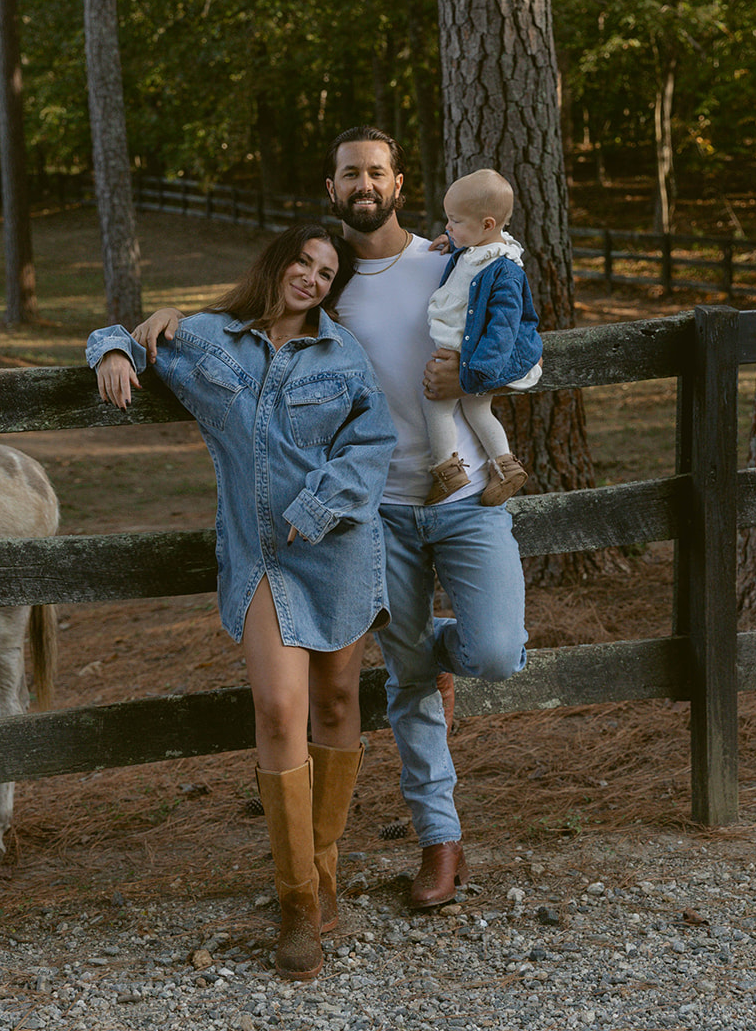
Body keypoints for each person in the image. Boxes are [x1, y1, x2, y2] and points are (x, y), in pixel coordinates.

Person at [134, 130, 529, 912]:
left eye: (376, 172)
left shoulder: (448, 259)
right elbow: (248, 328)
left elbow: (520, 343)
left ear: (396, 180)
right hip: (376, 512)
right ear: (332, 184)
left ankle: (427, 654)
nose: (364, 183)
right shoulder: (332, 283)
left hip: (459, 496)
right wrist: (156, 320)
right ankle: (434, 845)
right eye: (350, 172)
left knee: (494, 651)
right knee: (398, 688)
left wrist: (478, 368)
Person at [88, 224, 396, 981]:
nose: (314, 279)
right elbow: (114, 331)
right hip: (261, 556)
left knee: (335, 699)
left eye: (328, 273)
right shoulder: (208, 341)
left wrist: (323, 506)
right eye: (306, 262)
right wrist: (118, 351)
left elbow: (374, 444)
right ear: (278, 261)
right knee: (279, 709)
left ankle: (324, 875)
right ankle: (296, 903)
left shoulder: (343, 354)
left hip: (339, 544)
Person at [423, 168, 543, 506]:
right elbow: (468, 254)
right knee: (478, 413)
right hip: (467, 357)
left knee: (435, 405)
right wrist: (453, 242)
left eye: (454, 221)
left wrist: (478, 373)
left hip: (469, 360)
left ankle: (448, 472)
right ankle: (505, 466)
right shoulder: (476, 247)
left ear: (488, 225)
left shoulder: (504, 269)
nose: (447, 226)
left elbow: (504, 325)